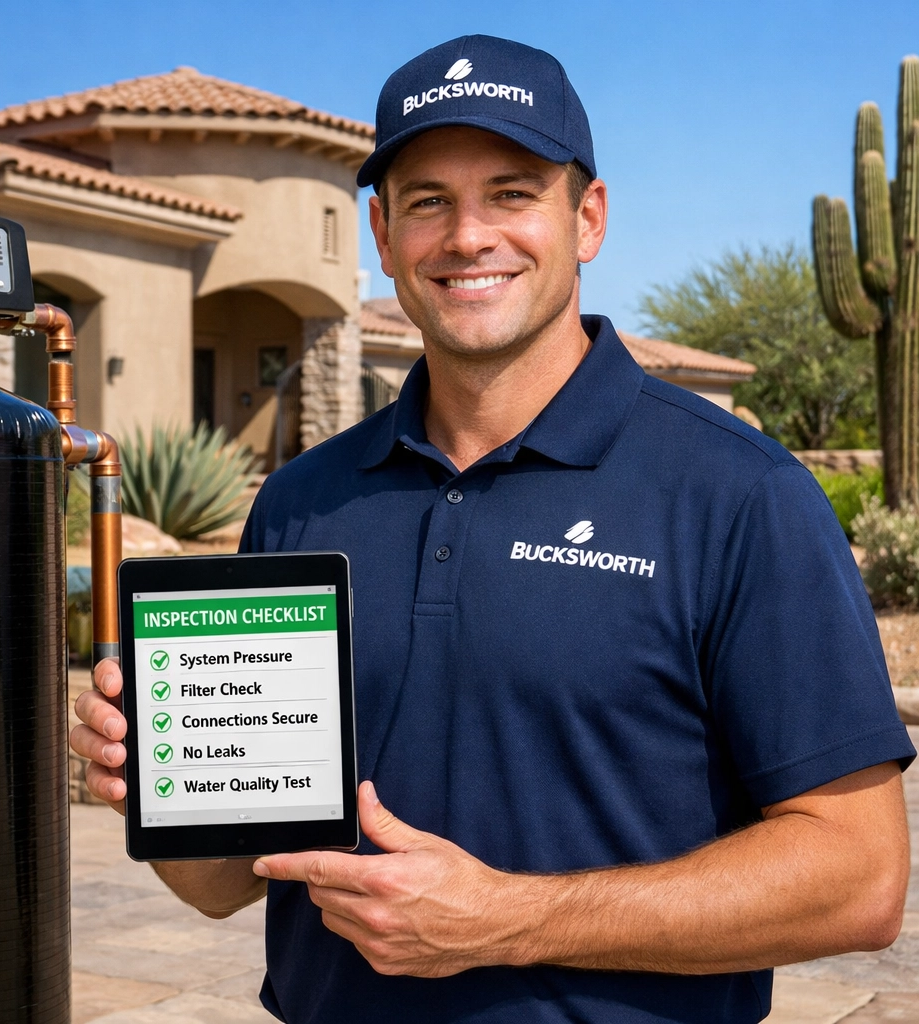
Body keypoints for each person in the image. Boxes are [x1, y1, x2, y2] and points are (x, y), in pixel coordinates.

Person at [71, 34, 914, 1024]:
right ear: (383, 237)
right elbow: (226, 881)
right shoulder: (304, 501)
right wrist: (161, 786)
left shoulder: (739, 495)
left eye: (511, 193)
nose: (469, 235)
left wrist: (506, 917)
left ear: (586, 217)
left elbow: (859, 875)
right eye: (428, 200)